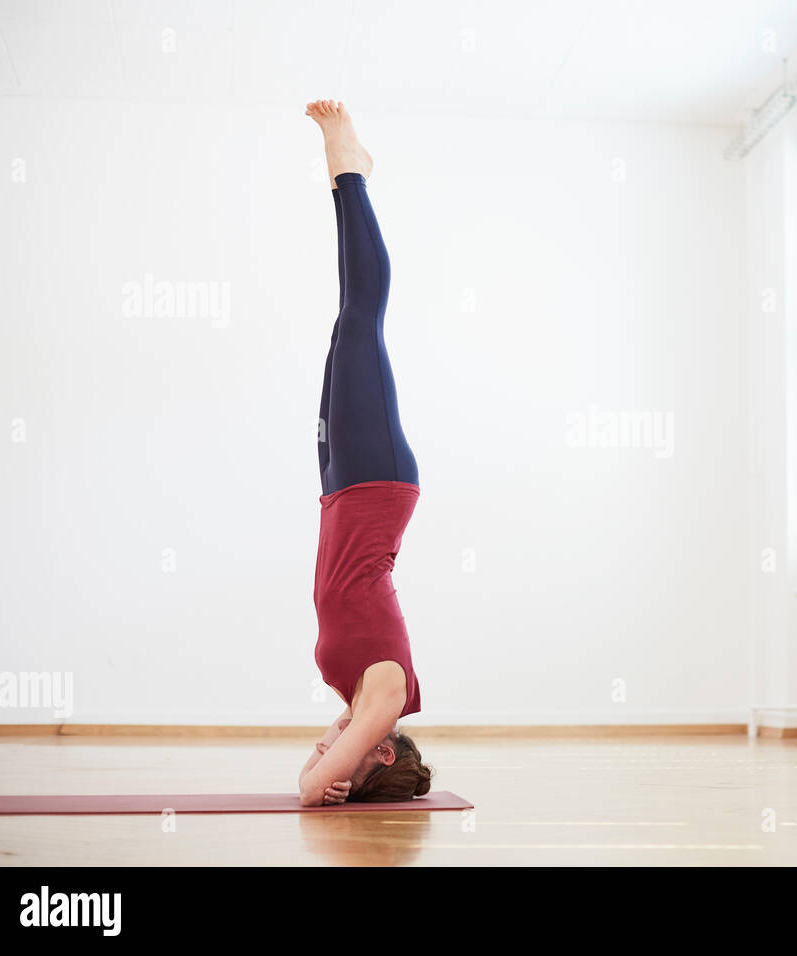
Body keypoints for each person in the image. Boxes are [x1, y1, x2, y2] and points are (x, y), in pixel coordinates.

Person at [297, 100, 432, 806]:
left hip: (342, 492)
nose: (328, 743)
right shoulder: (387, 694)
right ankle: (350, 168)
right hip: (375, 487)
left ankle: (350, 172)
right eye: (351, 751)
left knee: (345, 326)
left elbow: (322, 763)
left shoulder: (358, 692)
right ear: (378, 748)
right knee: (361, 315)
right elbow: (310, 785)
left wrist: (335, 767)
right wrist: (329, 779)